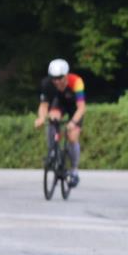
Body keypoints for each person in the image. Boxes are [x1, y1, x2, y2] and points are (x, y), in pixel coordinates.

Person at [34, 58, 86, 187]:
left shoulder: (76, 82)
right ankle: (53, 150)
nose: (57, 81)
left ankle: (74, 170)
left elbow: (81, 108)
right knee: (53, 117)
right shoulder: (47, 83)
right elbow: (44, 105)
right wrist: (41, 118)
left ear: (66, 75)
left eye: (60, 78)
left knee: (72, 136)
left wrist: (73, 122)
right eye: (54, 78)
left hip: (75, 107)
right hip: (59, 104)